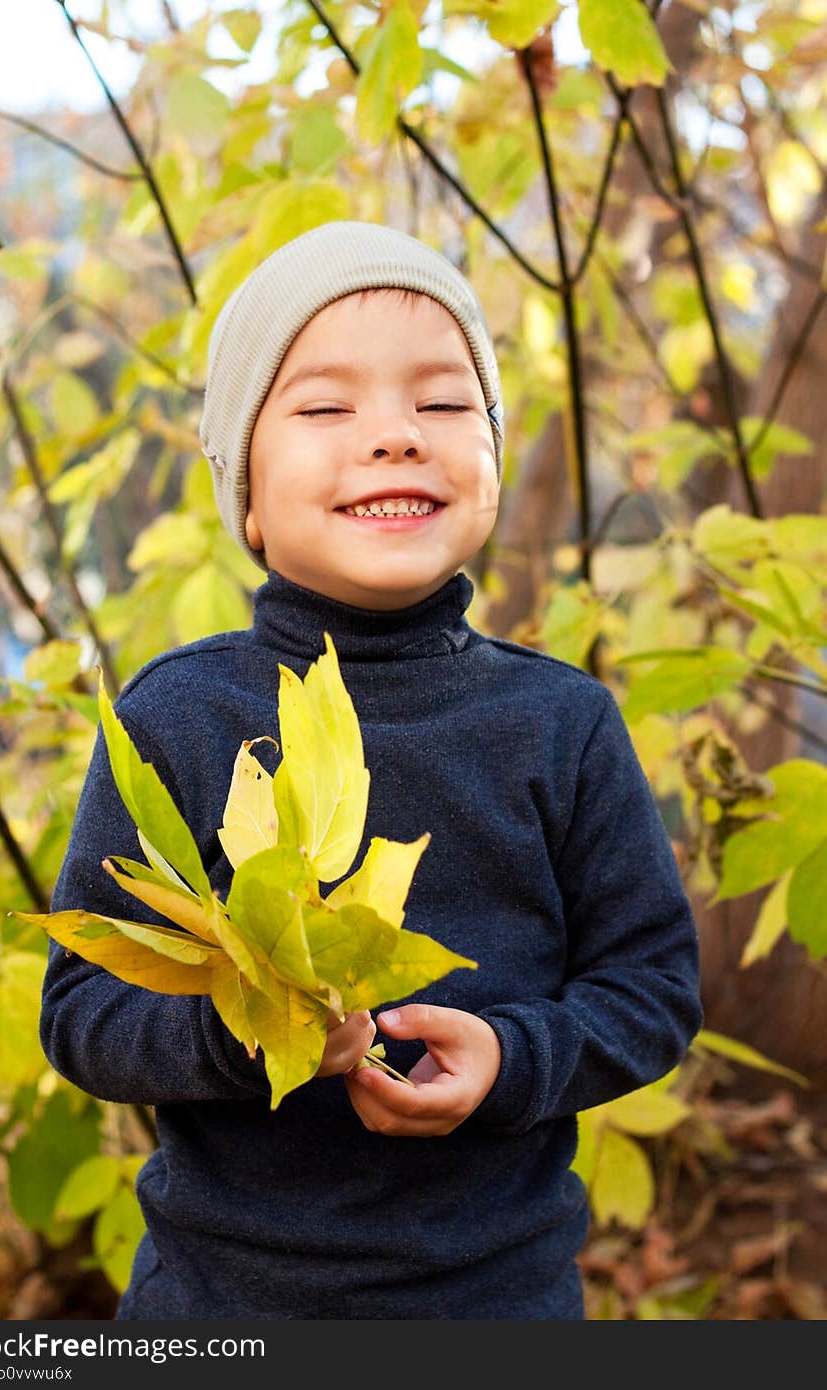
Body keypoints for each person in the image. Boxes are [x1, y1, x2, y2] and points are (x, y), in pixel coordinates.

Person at [40, 220, 704, 1321]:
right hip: (220, 1302)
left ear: (489, 453)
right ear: (244, 493)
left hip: (497, 1296)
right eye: (325, 406)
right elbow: (85, 1009)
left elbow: (651, 989)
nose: (395, 435)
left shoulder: (561, 722)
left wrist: (511, 1056)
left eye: (443, 403)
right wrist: (247, 1027)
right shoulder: (183, 716)